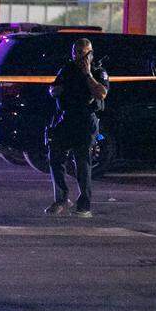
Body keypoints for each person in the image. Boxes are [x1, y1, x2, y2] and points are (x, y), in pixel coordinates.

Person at [45, 38, 109, 218]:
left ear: (90, 53)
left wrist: (87, 74)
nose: (78, 56)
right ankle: (62, 199)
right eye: (75, 53)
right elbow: (53, 89)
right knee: (55, 156)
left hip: (86, 121)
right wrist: (58, 89)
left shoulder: (98, 71)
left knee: (82, 163)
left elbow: (101, 93)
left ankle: (84, 205)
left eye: (82, 53)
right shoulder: (67, 70)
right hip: (67, 119)